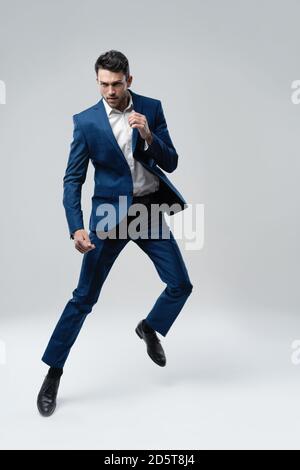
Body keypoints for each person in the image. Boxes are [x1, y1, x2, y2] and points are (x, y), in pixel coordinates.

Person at [37, 50, 193, 417]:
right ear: (97, 81)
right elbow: (73, 178)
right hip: (108, 216)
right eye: (103, 83)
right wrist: (76, 226)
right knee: (83, 298)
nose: (109, 90)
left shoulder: (151, 108)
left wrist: (149, 135)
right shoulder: (86, 122)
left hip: (148, 209)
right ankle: (53, 373)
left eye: (116, 83)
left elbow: (171, 161)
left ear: (129, 81)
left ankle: (149, 326)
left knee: (180, 284)